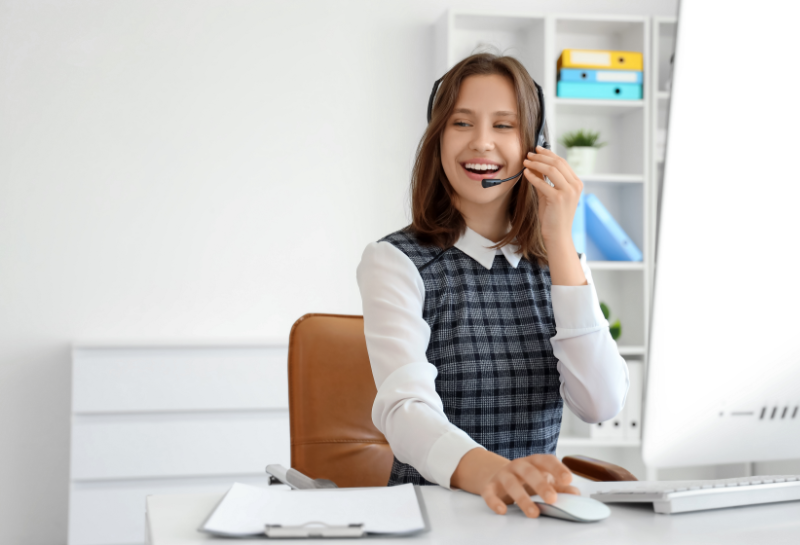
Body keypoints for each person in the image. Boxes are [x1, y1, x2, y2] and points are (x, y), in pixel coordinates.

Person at [356, 53, 629, 519]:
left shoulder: (561, 263)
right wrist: (490, 471)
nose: (481, 143)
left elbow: (600, 403)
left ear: (535, 145)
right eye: (461, 123)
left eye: (504, 125)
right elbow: (404, 409)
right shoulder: (395, 261)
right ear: (438, 138)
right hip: (431, 516)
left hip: (532, 517)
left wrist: (560, 240)